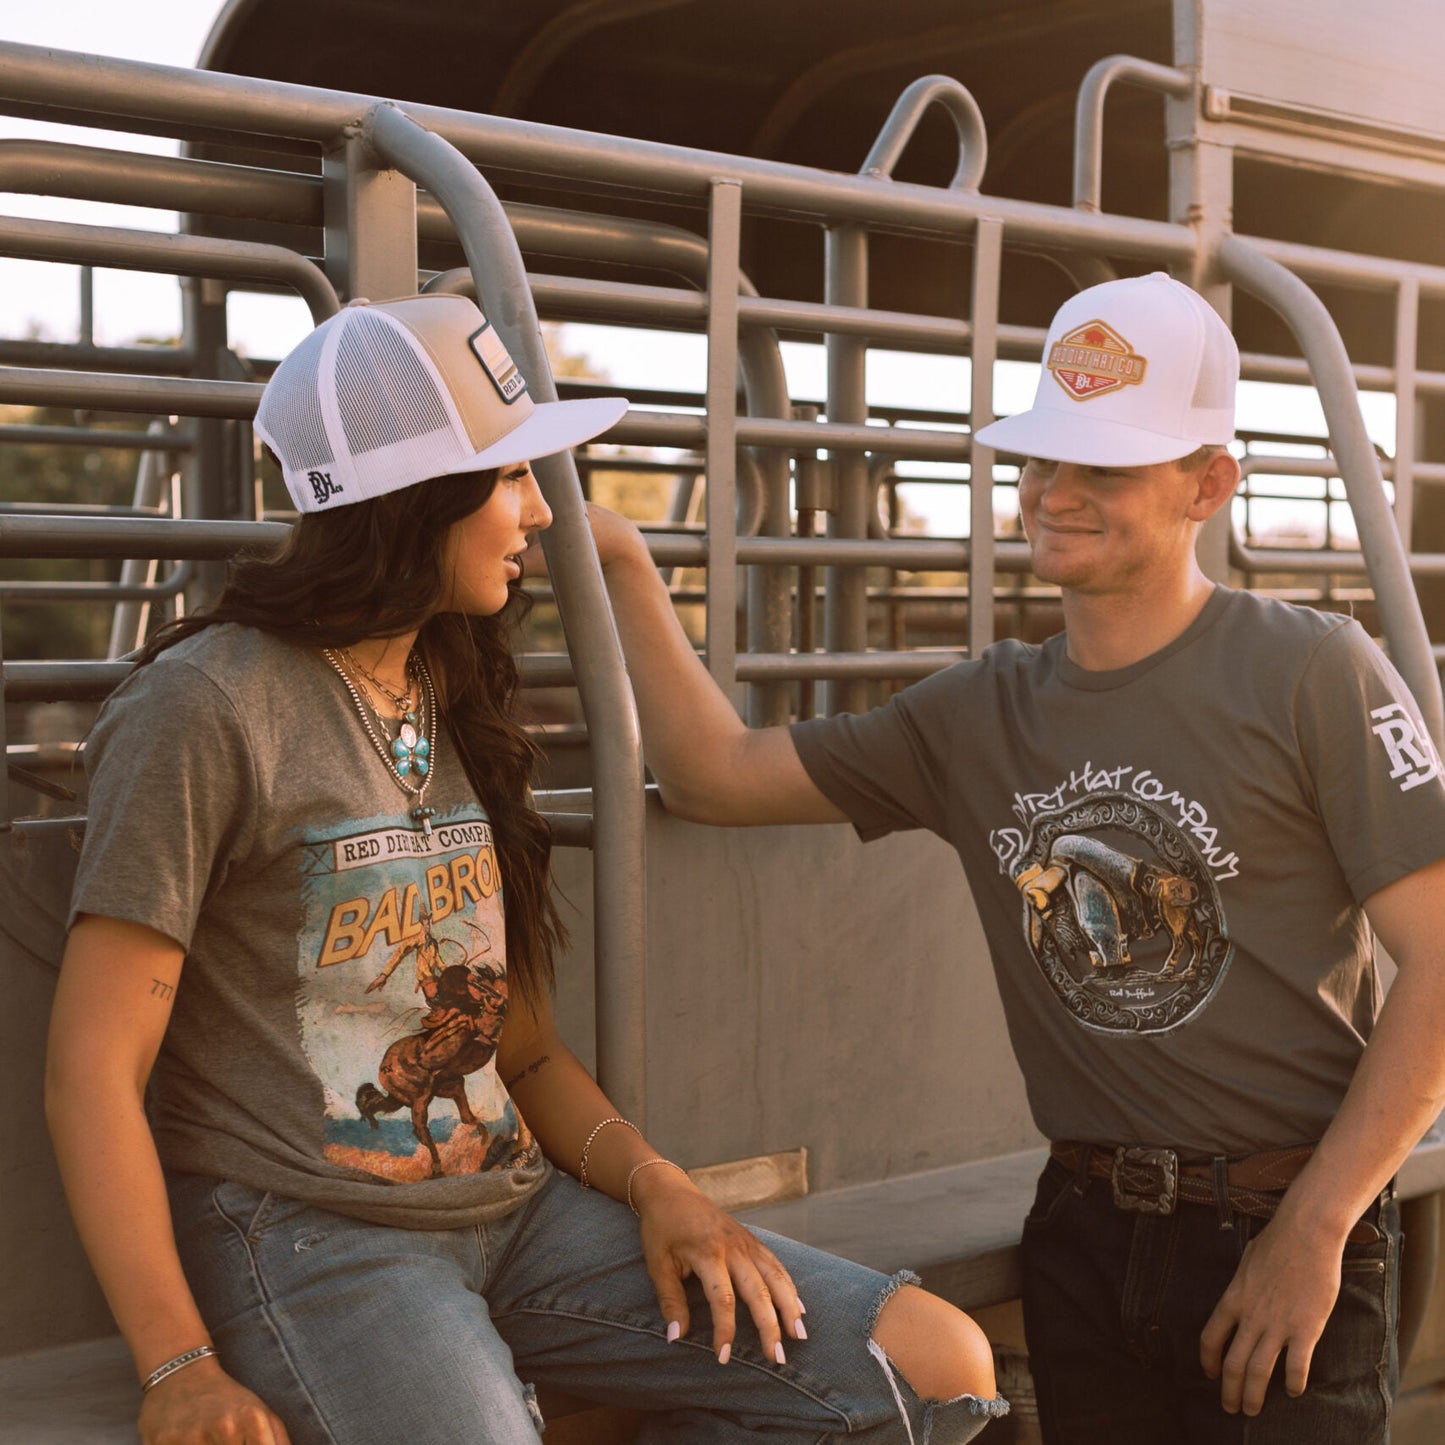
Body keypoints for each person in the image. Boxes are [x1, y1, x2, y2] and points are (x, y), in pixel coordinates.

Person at [44, 293, 1006, 1445]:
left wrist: (662, 1188)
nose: (539, 510)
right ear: (411, 499)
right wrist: (178, 1364)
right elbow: (94, 1068)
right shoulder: (206, 706)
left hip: (521, 1210)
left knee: (933, 1364)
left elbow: (524, 1042)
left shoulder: (454, 689)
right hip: (310, 1234)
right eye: (507, 478)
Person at [571, 271, 1445, 1443]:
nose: (1055, 492)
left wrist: (1316, 1225)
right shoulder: (977, 711)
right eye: (1040, 460)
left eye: (1104, 466)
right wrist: (624, 561)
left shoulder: (1308, 670)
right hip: (1082, 1229)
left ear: (1207, 483)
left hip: (1282, 1220)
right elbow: (712, 772)